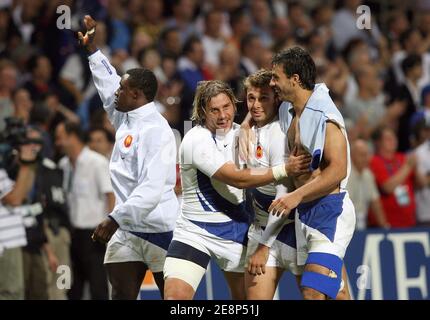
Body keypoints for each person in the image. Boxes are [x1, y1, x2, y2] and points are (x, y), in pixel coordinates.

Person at [163, 80, 311, 300]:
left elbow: (268, 108)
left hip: (237, 234)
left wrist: (245, 124)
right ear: (203, 112)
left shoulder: (243, 133)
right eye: (214, 110)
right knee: (176, 299)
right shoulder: (195, 140)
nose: (222, 115)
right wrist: (285, 169)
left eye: (226, 107)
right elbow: (238, 179)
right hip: (195, 232)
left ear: (234, 105)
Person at [241, 47, 356, 300]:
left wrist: (296, 196)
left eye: (276, 78)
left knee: (312, 291)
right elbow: (261, 101)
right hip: (304, 214)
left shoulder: (325, 116)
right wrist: (246, 124)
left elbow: (338, 170)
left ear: (294, 79)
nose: (272, 83)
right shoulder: (290, 108)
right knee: (335, 294)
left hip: (330, 211)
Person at [79, 15, 179, 300]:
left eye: (123, 90)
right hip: (127, 229)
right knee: (121, 295)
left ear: (136, 95)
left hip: (160, 227)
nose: (117, 93)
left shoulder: (157, 131)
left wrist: (113, 219)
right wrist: (93, 52)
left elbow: (150, 189)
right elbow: (108, 85)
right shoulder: (126, 116)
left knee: (175, 301)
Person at [241, 69, 302, 299]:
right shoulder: (247, 131)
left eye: (263, 98)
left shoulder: (278, 133)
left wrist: (264, 247)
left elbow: (283, 196)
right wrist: (246, 124)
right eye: (251, 98)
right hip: (260, 229)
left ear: (276, 98)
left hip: (290, 231)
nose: (255, 105)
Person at [56, 121, 114, 300]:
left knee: (98, 288)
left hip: (94, 234)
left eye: (60, 138)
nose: (56, 142)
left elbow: (110, 196)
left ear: (72, 137)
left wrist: (109, 229)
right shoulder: (63, 165)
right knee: (73, 288)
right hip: (71, 234)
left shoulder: (97, 162)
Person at [0, 122, 39, 299]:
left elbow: (21, 193)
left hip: (9, 240)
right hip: (4, 242)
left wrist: (28, 162)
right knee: (11, 293)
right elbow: (15, 199)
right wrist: (26, 162)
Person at [347, 139, 390, 230]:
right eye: (362, 155)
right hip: (345, 226)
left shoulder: (368, 174)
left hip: (362, 225)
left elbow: (375, 203)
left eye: (367, 155)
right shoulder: (345, 175)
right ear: (352, 155)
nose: (366, 158)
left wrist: (385, 226)